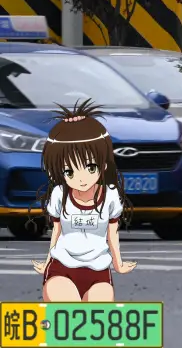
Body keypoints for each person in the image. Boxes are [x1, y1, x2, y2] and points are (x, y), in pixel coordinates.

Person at [31, 100, 136, 302]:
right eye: (69, 171)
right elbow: (56, 232)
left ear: (104, 164)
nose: (81, 179)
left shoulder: (110, 196)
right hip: (61, 268)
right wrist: (47, 262)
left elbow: (112, 233)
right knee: (71, 311)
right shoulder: (59, 194)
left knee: (97, 314)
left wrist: (118, 264)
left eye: (90, 167)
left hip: (99, 272)